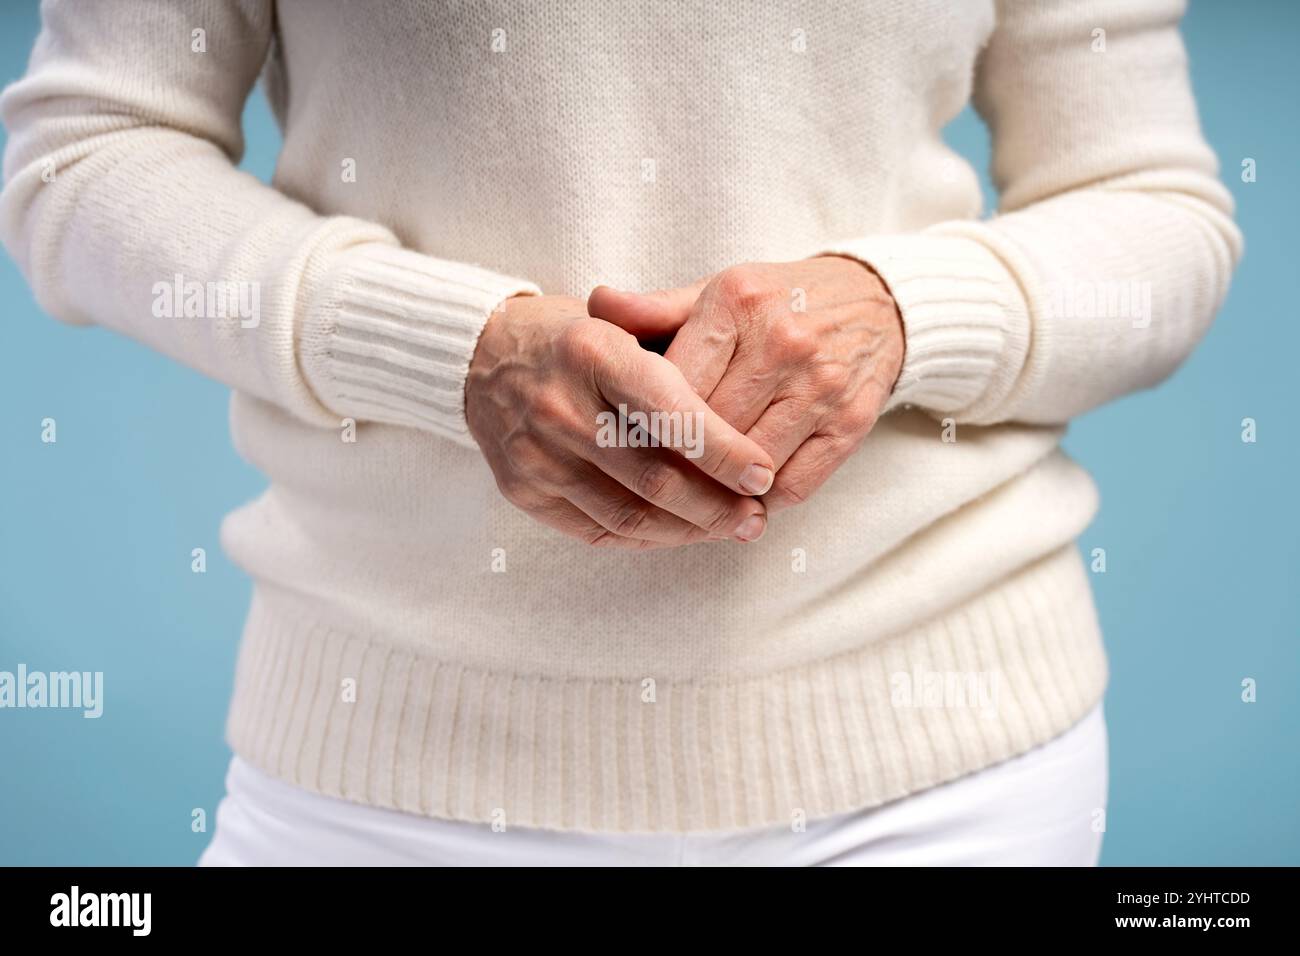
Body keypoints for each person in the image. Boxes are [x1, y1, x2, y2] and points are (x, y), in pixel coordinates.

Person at [1, 0, 1240, 866]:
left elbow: (1153, 207)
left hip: (944, 765)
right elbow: (88, 153)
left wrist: (899, 312)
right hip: (394, 766)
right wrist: (451, 348)